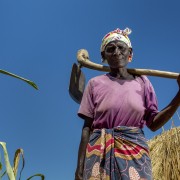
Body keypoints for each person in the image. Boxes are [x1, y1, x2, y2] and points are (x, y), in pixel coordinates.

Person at [75, 28, 180, 180]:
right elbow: (86, 128)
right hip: (98, 154)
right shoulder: (94, 84)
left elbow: (154, 124)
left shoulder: (143, 82)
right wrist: (79, 169)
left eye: (121, 48)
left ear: (130, 54)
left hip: (135, 154)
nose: (117, 52)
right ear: (103, 56)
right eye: (110, 49)